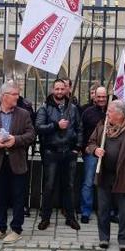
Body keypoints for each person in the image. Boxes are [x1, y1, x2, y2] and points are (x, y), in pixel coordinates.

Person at [0, 81, 35, 244]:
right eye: (15, 94)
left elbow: (31, 135)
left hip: (17, 162)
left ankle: (16, 229)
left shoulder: (23, 114)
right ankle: (0, 228)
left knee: (18, 196)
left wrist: (15, 140)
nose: (18, 97)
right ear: (4, 96)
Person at [86, 99, 125, 251]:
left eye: (110, 112)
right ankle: (104, 238)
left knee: (124, 211)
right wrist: (95, 150)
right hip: (104, 175)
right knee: (103, 209)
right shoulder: (102, 127)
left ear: (119, 114)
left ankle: (123, 239)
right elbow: (90, 144)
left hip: (124, 177)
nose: (107, 114)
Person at [35, 78, 82, 231]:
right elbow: (39, 127)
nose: (60, 92)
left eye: (62, 89)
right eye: (57, 89)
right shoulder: (45, 108)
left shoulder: (73, 108)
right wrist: (56, 125)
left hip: (69, 153)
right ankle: (45, 218)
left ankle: (70, 218)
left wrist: (77, 147)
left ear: (67, 90)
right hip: (51, 153)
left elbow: (79, 128)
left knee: (69, 186)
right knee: (49, 187)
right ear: (52, 90)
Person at [80, 86, 107, 224]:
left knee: (107, 183)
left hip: (108, 153)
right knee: (88, 182)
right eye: (99, 97)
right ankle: (85, 211)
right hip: (91, 152)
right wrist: (83, 147)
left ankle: (109, 211)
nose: (101, 99)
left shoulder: (111, 111)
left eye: (104, 97)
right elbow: (81, 131)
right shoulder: (87, 112)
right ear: (94, 97)